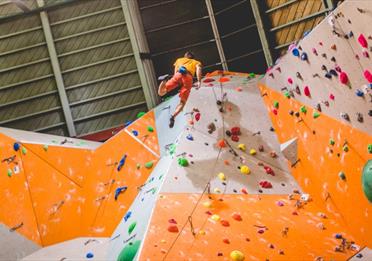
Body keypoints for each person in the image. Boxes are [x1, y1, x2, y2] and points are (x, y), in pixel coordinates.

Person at [158, 51, 202, 128]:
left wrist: (175, 79)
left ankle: (164, 80)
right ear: (192, 57)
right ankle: (173, 116)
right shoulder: (196, 62)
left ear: (186, 56)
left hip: (178, 74)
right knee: (183, 102)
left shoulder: (179, 60)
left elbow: (175, 71)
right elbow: (199, 69)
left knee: (161, 92)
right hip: (188, 77)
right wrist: (199, 81)